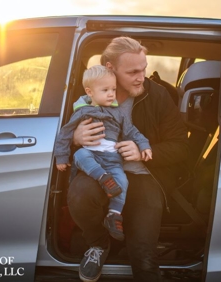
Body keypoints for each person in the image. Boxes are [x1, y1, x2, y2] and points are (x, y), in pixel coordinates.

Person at [67, 36, 189, 282]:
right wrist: (75, 139)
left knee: (144, 259)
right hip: (100, 171)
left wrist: (145, 152)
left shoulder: (157, 96)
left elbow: (181, 147)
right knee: (80, 194)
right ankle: (98, 245)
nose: (141, 76)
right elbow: (57, 139)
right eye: (132, 71)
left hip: (145, 177)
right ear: (110, 68)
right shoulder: (89, 95)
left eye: (143, 69)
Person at [54, 65, 153, 241]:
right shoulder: (82, 111)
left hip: (112, 159)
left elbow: (133, 132)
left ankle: (114, 214)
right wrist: (61, 156)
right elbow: (65, 134)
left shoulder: (118, 113)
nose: (111, 94)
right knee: (80, 156)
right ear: (90, 92)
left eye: (113, 89)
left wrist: (144, 146)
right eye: (105, 90)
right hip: (91, 155)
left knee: (123, 181)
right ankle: (102, 178)